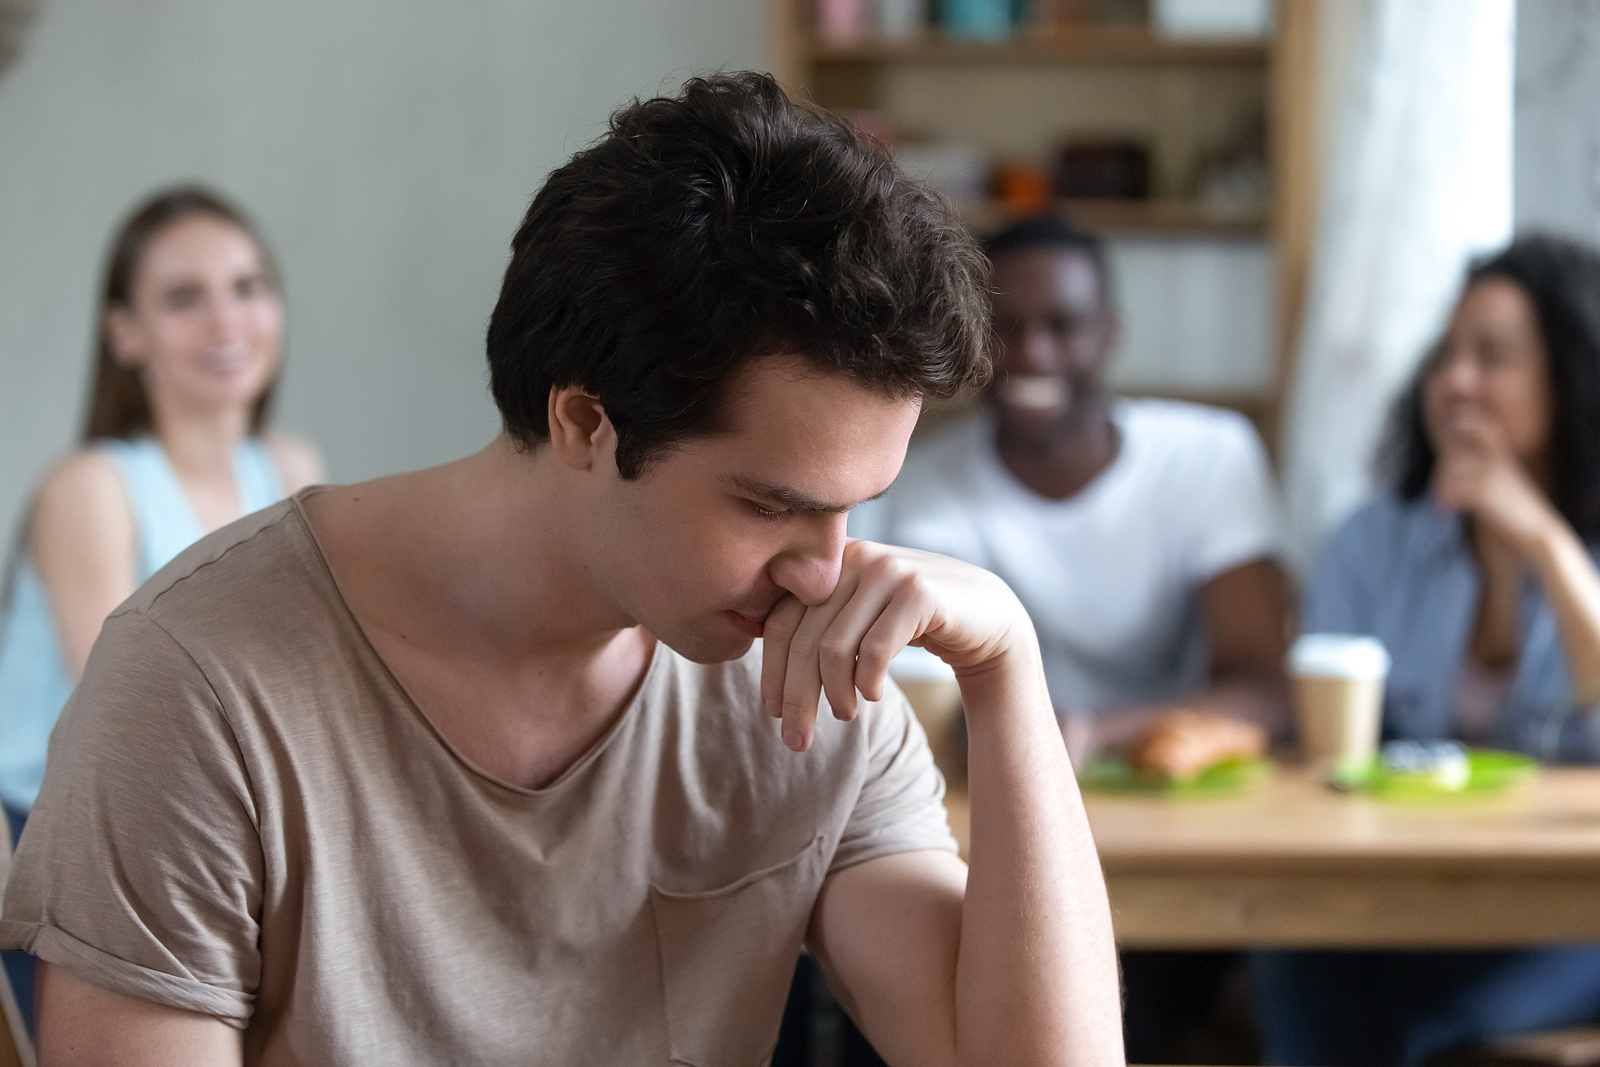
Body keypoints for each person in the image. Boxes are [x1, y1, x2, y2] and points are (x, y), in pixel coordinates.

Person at [0, 74, 1123, 1066]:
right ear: (586, 420)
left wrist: (1006, 668)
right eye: (772, 504)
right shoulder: (195, 679)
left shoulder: (804, 678)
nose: (826, 573)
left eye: (853, 509)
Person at [850, 214, 1289, 1062]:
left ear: (1110, 334)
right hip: (983, 822)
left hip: (1162, 824)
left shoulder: (1204, 458)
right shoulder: (917, 487)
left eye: (1063, 325)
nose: (1034, 353)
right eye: (1006, 327)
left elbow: (1267, 687)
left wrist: (1084, 732)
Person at [1253, 234, 1600, 1067]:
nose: (1457, 381)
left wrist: (1545, 544)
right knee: (1294, 968)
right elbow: (1326, 750)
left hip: (1573, 914)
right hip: (1403, 899)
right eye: (1446, 354)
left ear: (1571, 376)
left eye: (1494, 356)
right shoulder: (1370, 542)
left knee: (1435, 1035)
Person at [0, 187, 321, 1030]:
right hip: (73, 841)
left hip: (225, 825)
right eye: (183, 297)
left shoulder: (291, 471)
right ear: (125, 334)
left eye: (248, 286)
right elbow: (131, 728)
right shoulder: (90, 489)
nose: (227, 320)